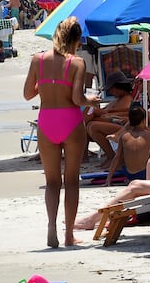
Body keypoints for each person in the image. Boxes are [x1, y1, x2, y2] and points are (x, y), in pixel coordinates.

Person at [23, 16, 100, 248]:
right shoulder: (76, 63)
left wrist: (46, 83)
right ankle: (68, 235)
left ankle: (51, 227)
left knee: (52, 181)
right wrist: (93, 101)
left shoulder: (38, 60)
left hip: (47, 121)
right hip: (70, 120)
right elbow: (77, 98)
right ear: (76, 39)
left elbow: (27, 94)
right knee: (72, 180)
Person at [85, 71, 134, 167]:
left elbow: (127, 113)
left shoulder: (127, 99)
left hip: (123, 126)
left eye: (112, 89)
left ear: (119, 86)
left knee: (92, 125)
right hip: (115, 123)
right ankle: (85, 154)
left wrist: (105, 113)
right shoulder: (117, 100)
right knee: (89, 120)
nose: (110, 92)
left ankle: (111, 156)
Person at [105, 104, 150, 186]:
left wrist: (108, 179)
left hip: (128, 173)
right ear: (144, 119)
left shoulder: (124, 136)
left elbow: (117, 158)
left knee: (121, 158)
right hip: (143, 173)